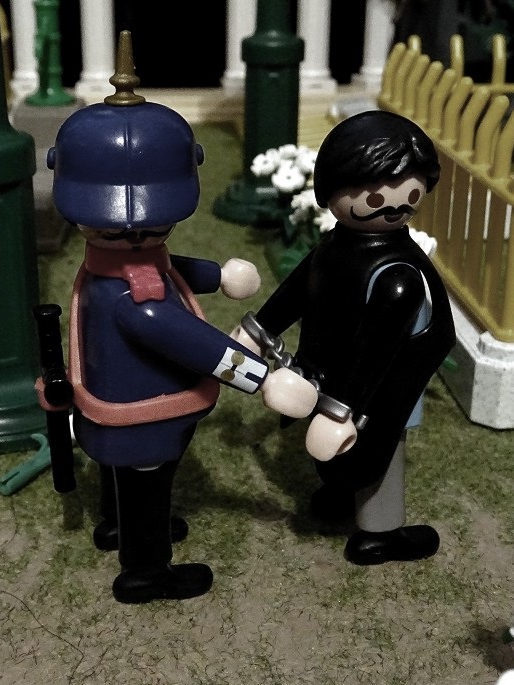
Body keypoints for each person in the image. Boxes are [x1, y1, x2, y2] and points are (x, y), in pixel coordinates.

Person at [42, 31, 319, 605]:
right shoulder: (135, 300)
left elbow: (162, 267)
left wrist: (217, 275)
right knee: (149, 482)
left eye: (151, 225)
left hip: (114, 403)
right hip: (143, 410)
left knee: (127, 481)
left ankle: (119, 524)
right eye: (121, 226)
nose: (136, 234)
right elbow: (196, 342)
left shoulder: (105, 270)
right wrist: (262, 379)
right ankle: (147, 570)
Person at [237, 110, 456, 566]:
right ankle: (343, 493)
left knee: (381, 449)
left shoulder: (399, 275)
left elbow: (379, 350)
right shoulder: (335, 248)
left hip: (387, 383)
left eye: (409, 194)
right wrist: (261, 331)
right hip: (333, 369)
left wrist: (342, 409)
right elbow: (298, 289)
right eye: (374, 195)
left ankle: (381, 529)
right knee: (337, 448)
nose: (393, 207)